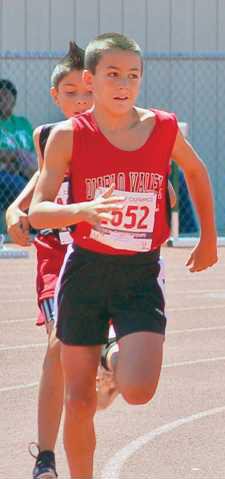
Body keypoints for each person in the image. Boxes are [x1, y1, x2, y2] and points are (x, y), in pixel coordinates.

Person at [29, 32, 218, 478]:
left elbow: (195, 171)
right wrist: (81, 210)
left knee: (139, 389)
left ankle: (109, 359)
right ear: (90, 80)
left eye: (133, 75)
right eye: (113, 74)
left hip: (139, 273)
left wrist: (209, 237)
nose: (124, 84)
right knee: (79, 400)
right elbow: (38, 211)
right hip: (85, 273)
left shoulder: (163, 127)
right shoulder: (68, 136)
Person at [4, 42, 92, 479]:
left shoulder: (120, 135)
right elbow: (43, 176)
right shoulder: (47, 136)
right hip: (56, 254)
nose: (81, 101)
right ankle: (45, 456)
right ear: (56, 96)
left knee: (95, 366)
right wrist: (15, 208)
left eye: (88, 92)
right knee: (59, 346)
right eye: (71, 93)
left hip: (106, 253)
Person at [0, 78, 37, 210]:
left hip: (26, 169)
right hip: (6, 172)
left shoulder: (23, 123)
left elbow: (36, 152)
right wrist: (16, 156)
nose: (2, 100)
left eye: (6, 95)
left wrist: (18, 160)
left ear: (14, 100)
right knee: (19, 185)